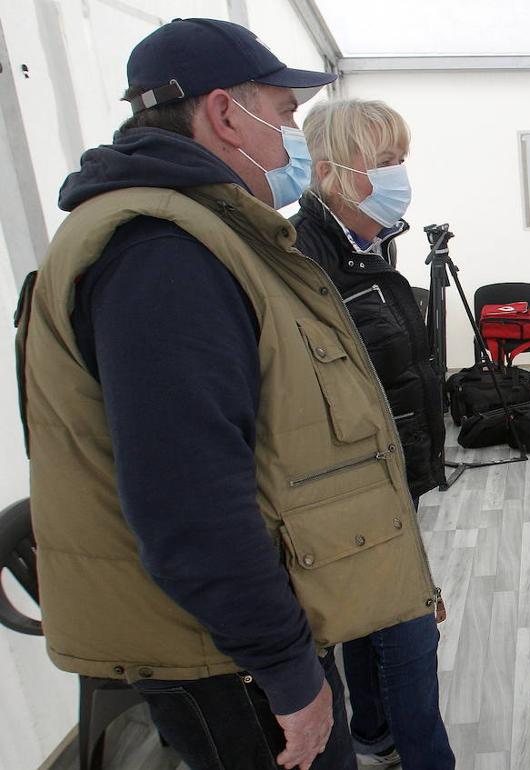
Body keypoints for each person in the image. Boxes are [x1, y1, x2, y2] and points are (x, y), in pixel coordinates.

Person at [17, 20, 440, 770]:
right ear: (222, 114)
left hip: (230, 635)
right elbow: (188, 499)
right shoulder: (161, 254)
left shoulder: (188, 235)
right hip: (214, 652)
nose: (292, 141)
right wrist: (286, 670)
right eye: (282, 115)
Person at [292, 99, 455, 769]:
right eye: (385, 161)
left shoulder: (368, 246)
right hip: (354, 485)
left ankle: (376, 734)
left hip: (389, 473)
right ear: (336, 173)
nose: (400, 174)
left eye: (400, 159)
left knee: (371, 625)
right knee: (408, 632)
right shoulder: (307, 262)